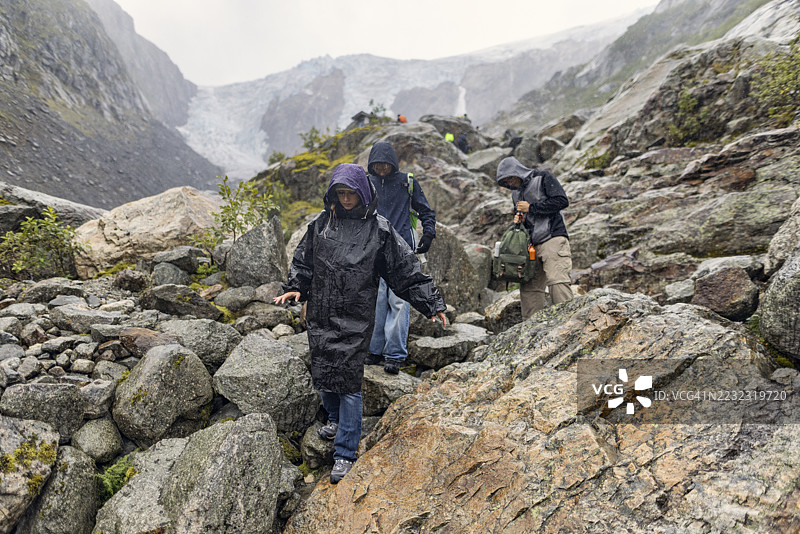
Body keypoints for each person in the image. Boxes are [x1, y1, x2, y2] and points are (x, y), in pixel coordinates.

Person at [274, 163, 447, 484]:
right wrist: (296, 288)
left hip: (355, 316)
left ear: (363, 193)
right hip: (321, 314)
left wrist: (431, 301)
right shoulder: (322, 224)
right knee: (324, 372)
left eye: (351, 193)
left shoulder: (379, 230)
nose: (346, 198)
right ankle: (336, 419)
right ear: (332, 195)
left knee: (350, 383)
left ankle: (344, 453)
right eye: (340, 193)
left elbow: (405, 270)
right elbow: (303, 262)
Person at [365, 141, 437, 375]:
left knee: (399, 301)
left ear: (393, 163)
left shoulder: (407, 182)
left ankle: (394, 355)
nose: (381, 169)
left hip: (402, 249)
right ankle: (374, 350)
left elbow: (426, 211)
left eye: (385, 165)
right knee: (375, 301)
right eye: (377, 165)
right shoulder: (367, 183)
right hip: (374, 250)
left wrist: (429, 234)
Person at [496, 156, 573, 319]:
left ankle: (568, 323)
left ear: (517, 171)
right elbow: (527, 215)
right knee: (529, 288)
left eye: (510, 178)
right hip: (531, 245)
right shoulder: (515, 193)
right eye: (505, 182)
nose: (509, 183)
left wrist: (532, 208)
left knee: (557, 281)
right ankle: (530, 331)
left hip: (553, 238)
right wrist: (520, 220)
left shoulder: (543, 177)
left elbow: (561, 201)